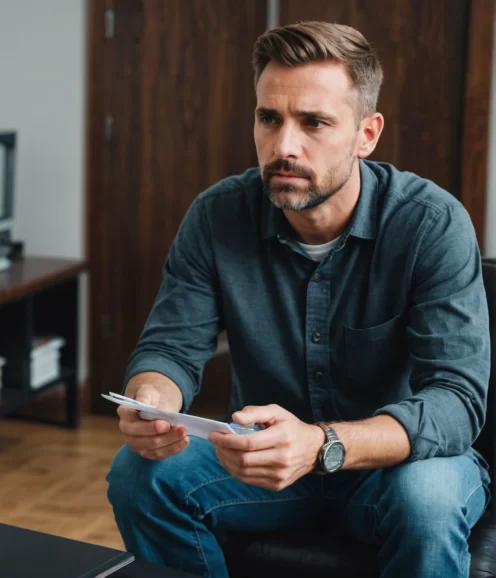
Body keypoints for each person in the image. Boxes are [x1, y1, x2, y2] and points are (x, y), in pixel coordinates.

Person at [105, 21, 490, 578]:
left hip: (397, 467)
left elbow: (457, 401)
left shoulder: (431, 224)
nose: (284, 146)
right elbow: (170, 346)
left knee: (426, 500)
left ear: (367, 134)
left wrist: (323, 444)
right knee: (137, 473)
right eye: (269, 118)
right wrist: (152, 401)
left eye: (314, 122)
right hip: (265, 469)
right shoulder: (218, 215)